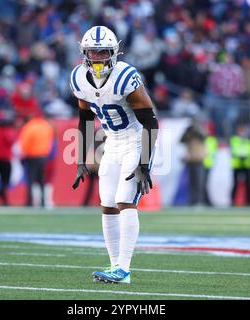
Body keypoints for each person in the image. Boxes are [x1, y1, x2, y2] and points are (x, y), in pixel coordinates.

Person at [71, 26, 158, 284]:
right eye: (92, 52)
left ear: (114, 52)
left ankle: (124, 269)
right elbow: (85, 118)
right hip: (112, 142)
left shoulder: (126, 77)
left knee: (124, 200)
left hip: (136, 140)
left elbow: (151, 122)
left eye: (103, 52)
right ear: (84, 52)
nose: (97, 57)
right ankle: (114, 265)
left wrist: (144, 163)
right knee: (107, 203)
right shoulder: (78, 78)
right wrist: (80, 159)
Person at [18, 114, 54, 207]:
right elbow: (50, 141)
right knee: (41, 179)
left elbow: (25, 142)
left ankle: (29, 201)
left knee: (31, 179)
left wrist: (24, 153)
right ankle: (43, 201)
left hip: (32, 156)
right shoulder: (46, 126)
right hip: (43, 156)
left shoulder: (29, 126)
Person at [180, 119, 206, 206]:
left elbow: (204, 136)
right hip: (190, 161)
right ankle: (193, 201)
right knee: (191, 183)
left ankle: (199, 201)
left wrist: (196, 129)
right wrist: (188, 132)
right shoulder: (189, 134)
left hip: (199, 160)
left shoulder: (200, 133)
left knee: (199, 183)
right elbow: (181, 140)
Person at [230, 123, 250, 206]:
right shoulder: (234, 140)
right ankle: (233, 201)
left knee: (248, 184)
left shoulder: (248, 141)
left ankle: (248, 201)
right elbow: (233, 150)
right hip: (237, 164)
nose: (242, 132)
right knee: (235, 184)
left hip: (246, 165)